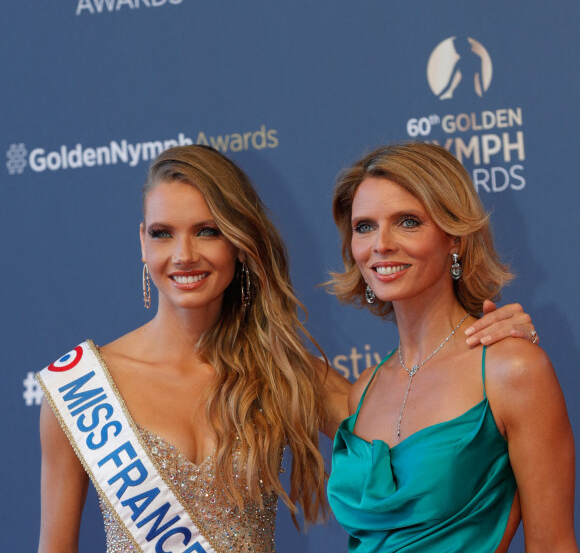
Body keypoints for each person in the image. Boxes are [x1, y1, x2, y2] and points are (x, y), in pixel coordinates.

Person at [36, 144, 538, 553]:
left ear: (240, 242)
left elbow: (432, 439)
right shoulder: (79, 389)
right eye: (163, 234)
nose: (183, 255)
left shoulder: (286, 375)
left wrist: (489, 349)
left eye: (207, 232)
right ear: (142, 243)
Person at [326, 141, 577, 552]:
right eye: (364, 226)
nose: (381, 244)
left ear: (455, 238)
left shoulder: (511, 369)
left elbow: (553, 544)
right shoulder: (365, 388)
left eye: (407, 222)